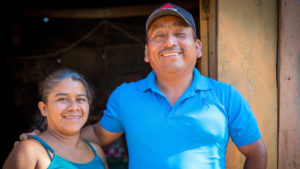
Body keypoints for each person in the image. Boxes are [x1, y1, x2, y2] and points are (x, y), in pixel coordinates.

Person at [18, 2, 267, 169]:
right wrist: (46, 138)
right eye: (159, 36)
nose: (170, 42)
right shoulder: (126, 96)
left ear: (198, 47)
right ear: (147, 52)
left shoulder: (226, 96)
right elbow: (97, 134)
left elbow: (257, 154)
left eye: (180, 34)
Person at [4, 69, 109, 169]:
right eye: (62, 99)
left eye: (80, 99)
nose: (74, 107)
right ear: (44, 109)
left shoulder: (96, 151)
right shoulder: (30, 151)